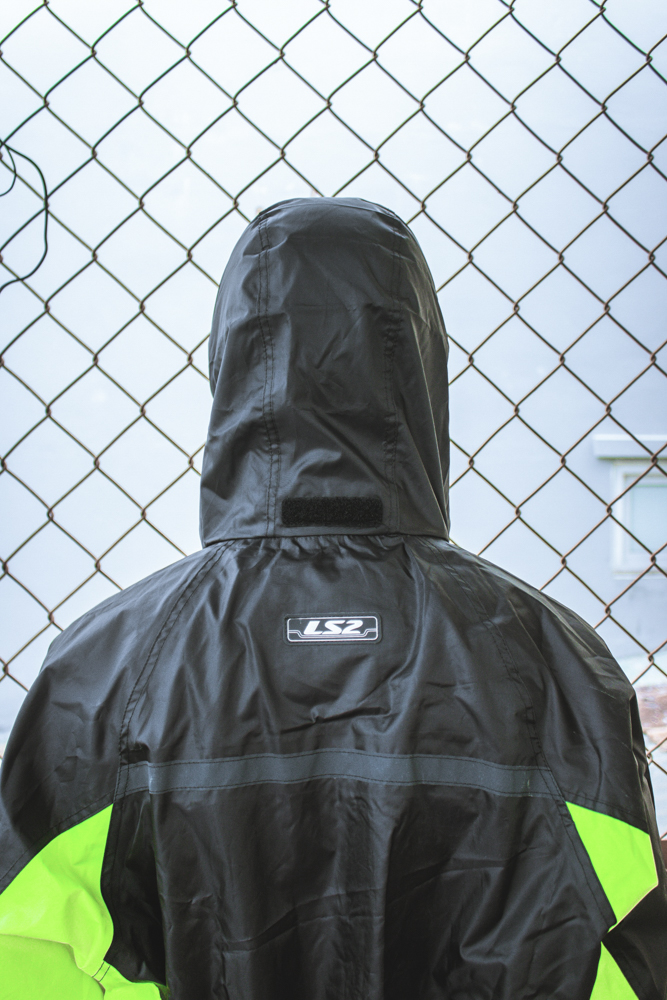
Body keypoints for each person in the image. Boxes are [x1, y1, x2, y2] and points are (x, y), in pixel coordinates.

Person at [0, 197, 665, 1000]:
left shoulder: (101, 670)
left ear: (231, 361)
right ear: (418, 365)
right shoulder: (557, 664)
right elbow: (621, 958)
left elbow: (31, 952)